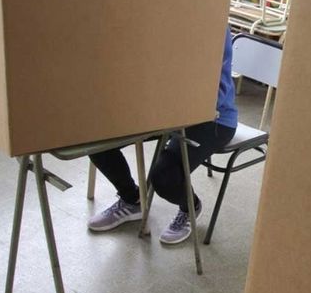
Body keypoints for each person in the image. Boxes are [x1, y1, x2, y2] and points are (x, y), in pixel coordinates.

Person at [87, 29, 237, 244]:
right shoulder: (159, 12)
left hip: (213, 118)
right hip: (159, 111)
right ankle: (132, 199)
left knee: (164, 178)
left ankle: (190, 207)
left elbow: (214, 93)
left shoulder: (212, 22)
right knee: (95, 140)